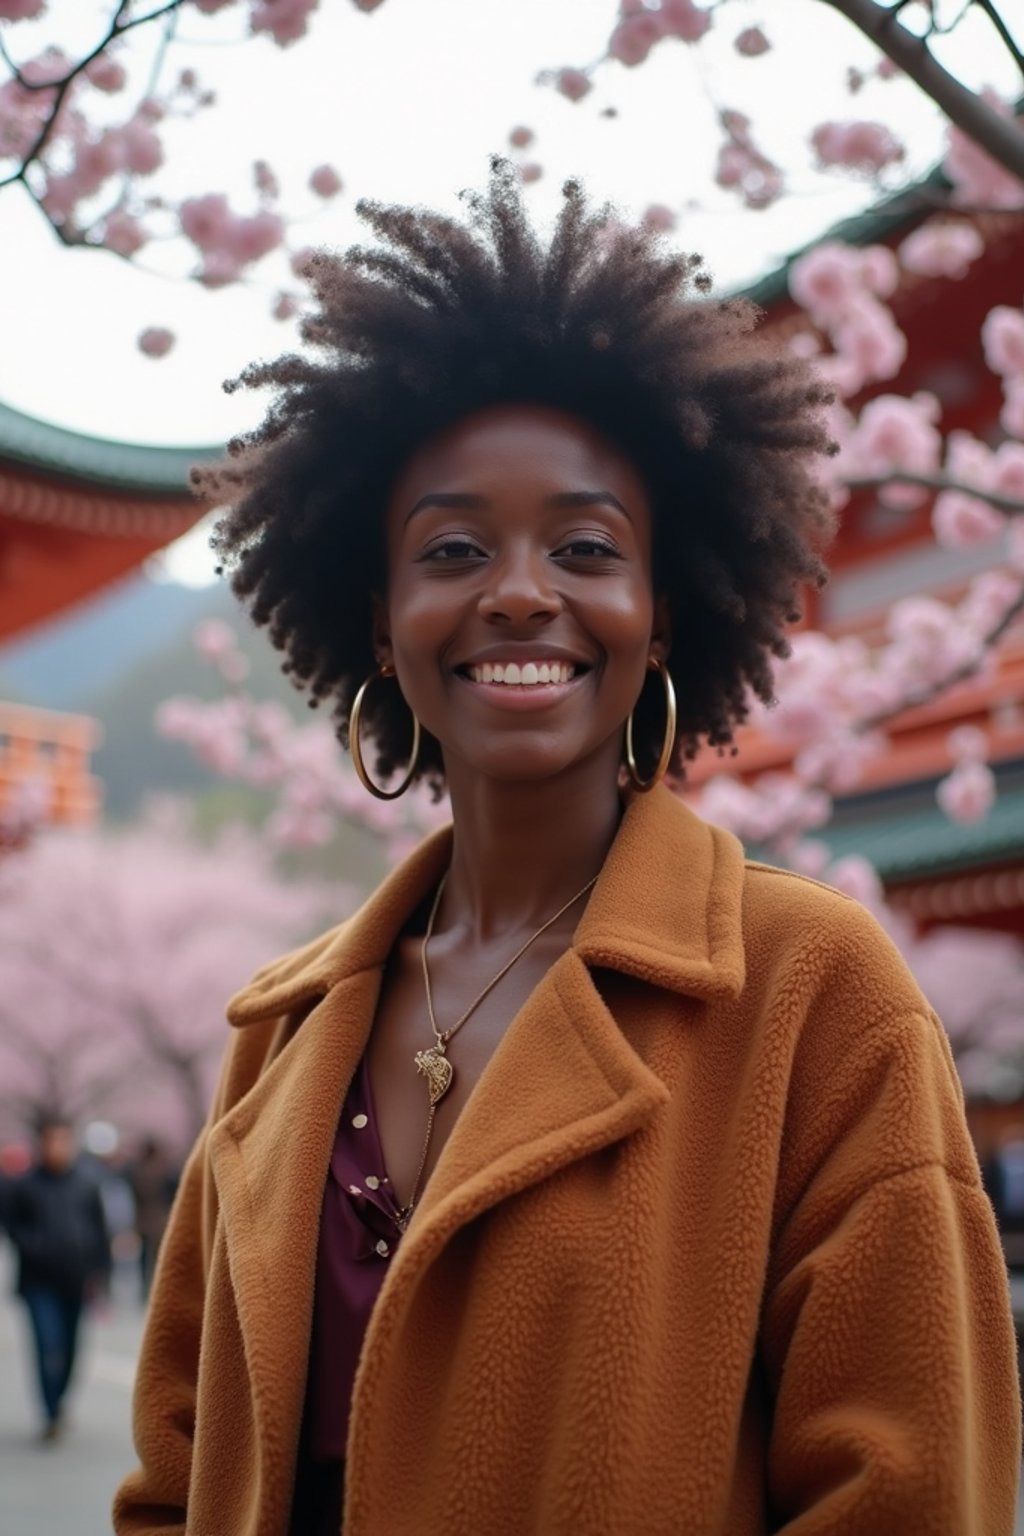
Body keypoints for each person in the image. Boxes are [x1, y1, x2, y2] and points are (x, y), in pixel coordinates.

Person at [114, 167, 1020, 1535]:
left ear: (661, 613)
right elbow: (176, 1482)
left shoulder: (814, 997)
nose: (522, 591)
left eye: (587, 547)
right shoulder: (282, 1032)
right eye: (456, 547)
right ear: (379, 618)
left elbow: (905, 1493)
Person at [7, 1113, 110, 1441]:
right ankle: (50, 1411)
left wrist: (101, 1271)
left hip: (76, 1278)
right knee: (47, 1343)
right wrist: (35, 1244)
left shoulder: (87, 1182)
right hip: (38, 1281)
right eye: (50, 1140)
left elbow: (99, 1229)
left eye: (62, 1140)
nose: (57, 1147)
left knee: (70, 1346)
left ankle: (61, 1399)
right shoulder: (24, 1185)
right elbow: (12, 1225)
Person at [127, 1137, 177, 1302]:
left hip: (146, 1220)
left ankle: (149, 1287)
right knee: (156, 1256)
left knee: (147, 1256)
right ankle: (155, 1286)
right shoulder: (163, 1171)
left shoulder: (138, 1172)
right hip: (158, 1220)